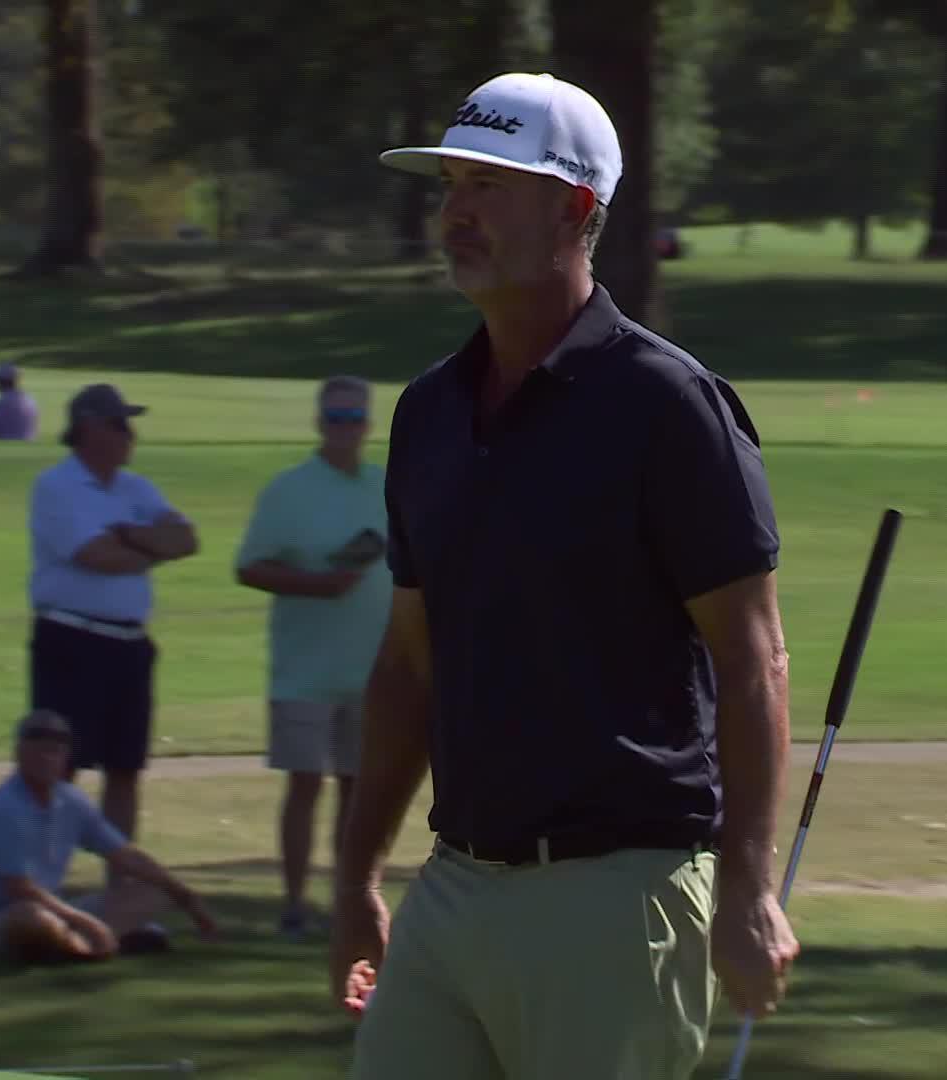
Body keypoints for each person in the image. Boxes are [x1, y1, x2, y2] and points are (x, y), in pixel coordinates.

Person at [331, 71, 800, 1079]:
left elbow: (752, 661)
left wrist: (749, 888)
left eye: (491, 185)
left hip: (617, 893)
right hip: (453, 886)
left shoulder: (669, 406)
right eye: (451, 182)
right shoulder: (429, 414)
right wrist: (357, 876)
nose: (457, 209)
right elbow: (408, 667)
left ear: (575, 210)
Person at [232, 375, 393, 939]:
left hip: (371, 671)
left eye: (353, 419)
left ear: (367, 425)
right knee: (304, 785)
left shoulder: (385, 485)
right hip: (304, 671)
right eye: (335, 419)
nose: (344, 428)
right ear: (320, 423)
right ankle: (295, 903)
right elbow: (250, 567)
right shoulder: (289, 490)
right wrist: (315, 583)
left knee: (358, 788)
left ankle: (351, 898)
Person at [27, 383, 199, 900]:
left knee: (125, 768)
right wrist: (149, 546)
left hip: (128, 645)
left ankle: (120, 890)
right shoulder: (58, 487)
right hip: (71, 642)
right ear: (90, 429)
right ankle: (43, 886)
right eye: (121, 424)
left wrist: (134, 539)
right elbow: (95, 556)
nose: (131, 435)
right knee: (62, 768)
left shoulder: (136, 489)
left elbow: (186, 540)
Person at [0, 709, 218, 963]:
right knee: (31, 918)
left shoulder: (70, 800)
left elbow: (126, 856)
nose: (47, 755)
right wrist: (89, 923)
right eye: (38, 746)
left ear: (66, 755)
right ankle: (96, 944)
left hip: (54, 910)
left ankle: (76, 945)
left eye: (56, 747)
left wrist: (187, 898)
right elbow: (20, 888)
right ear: (19, 752)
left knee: (155, 891)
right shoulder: (4, 809)